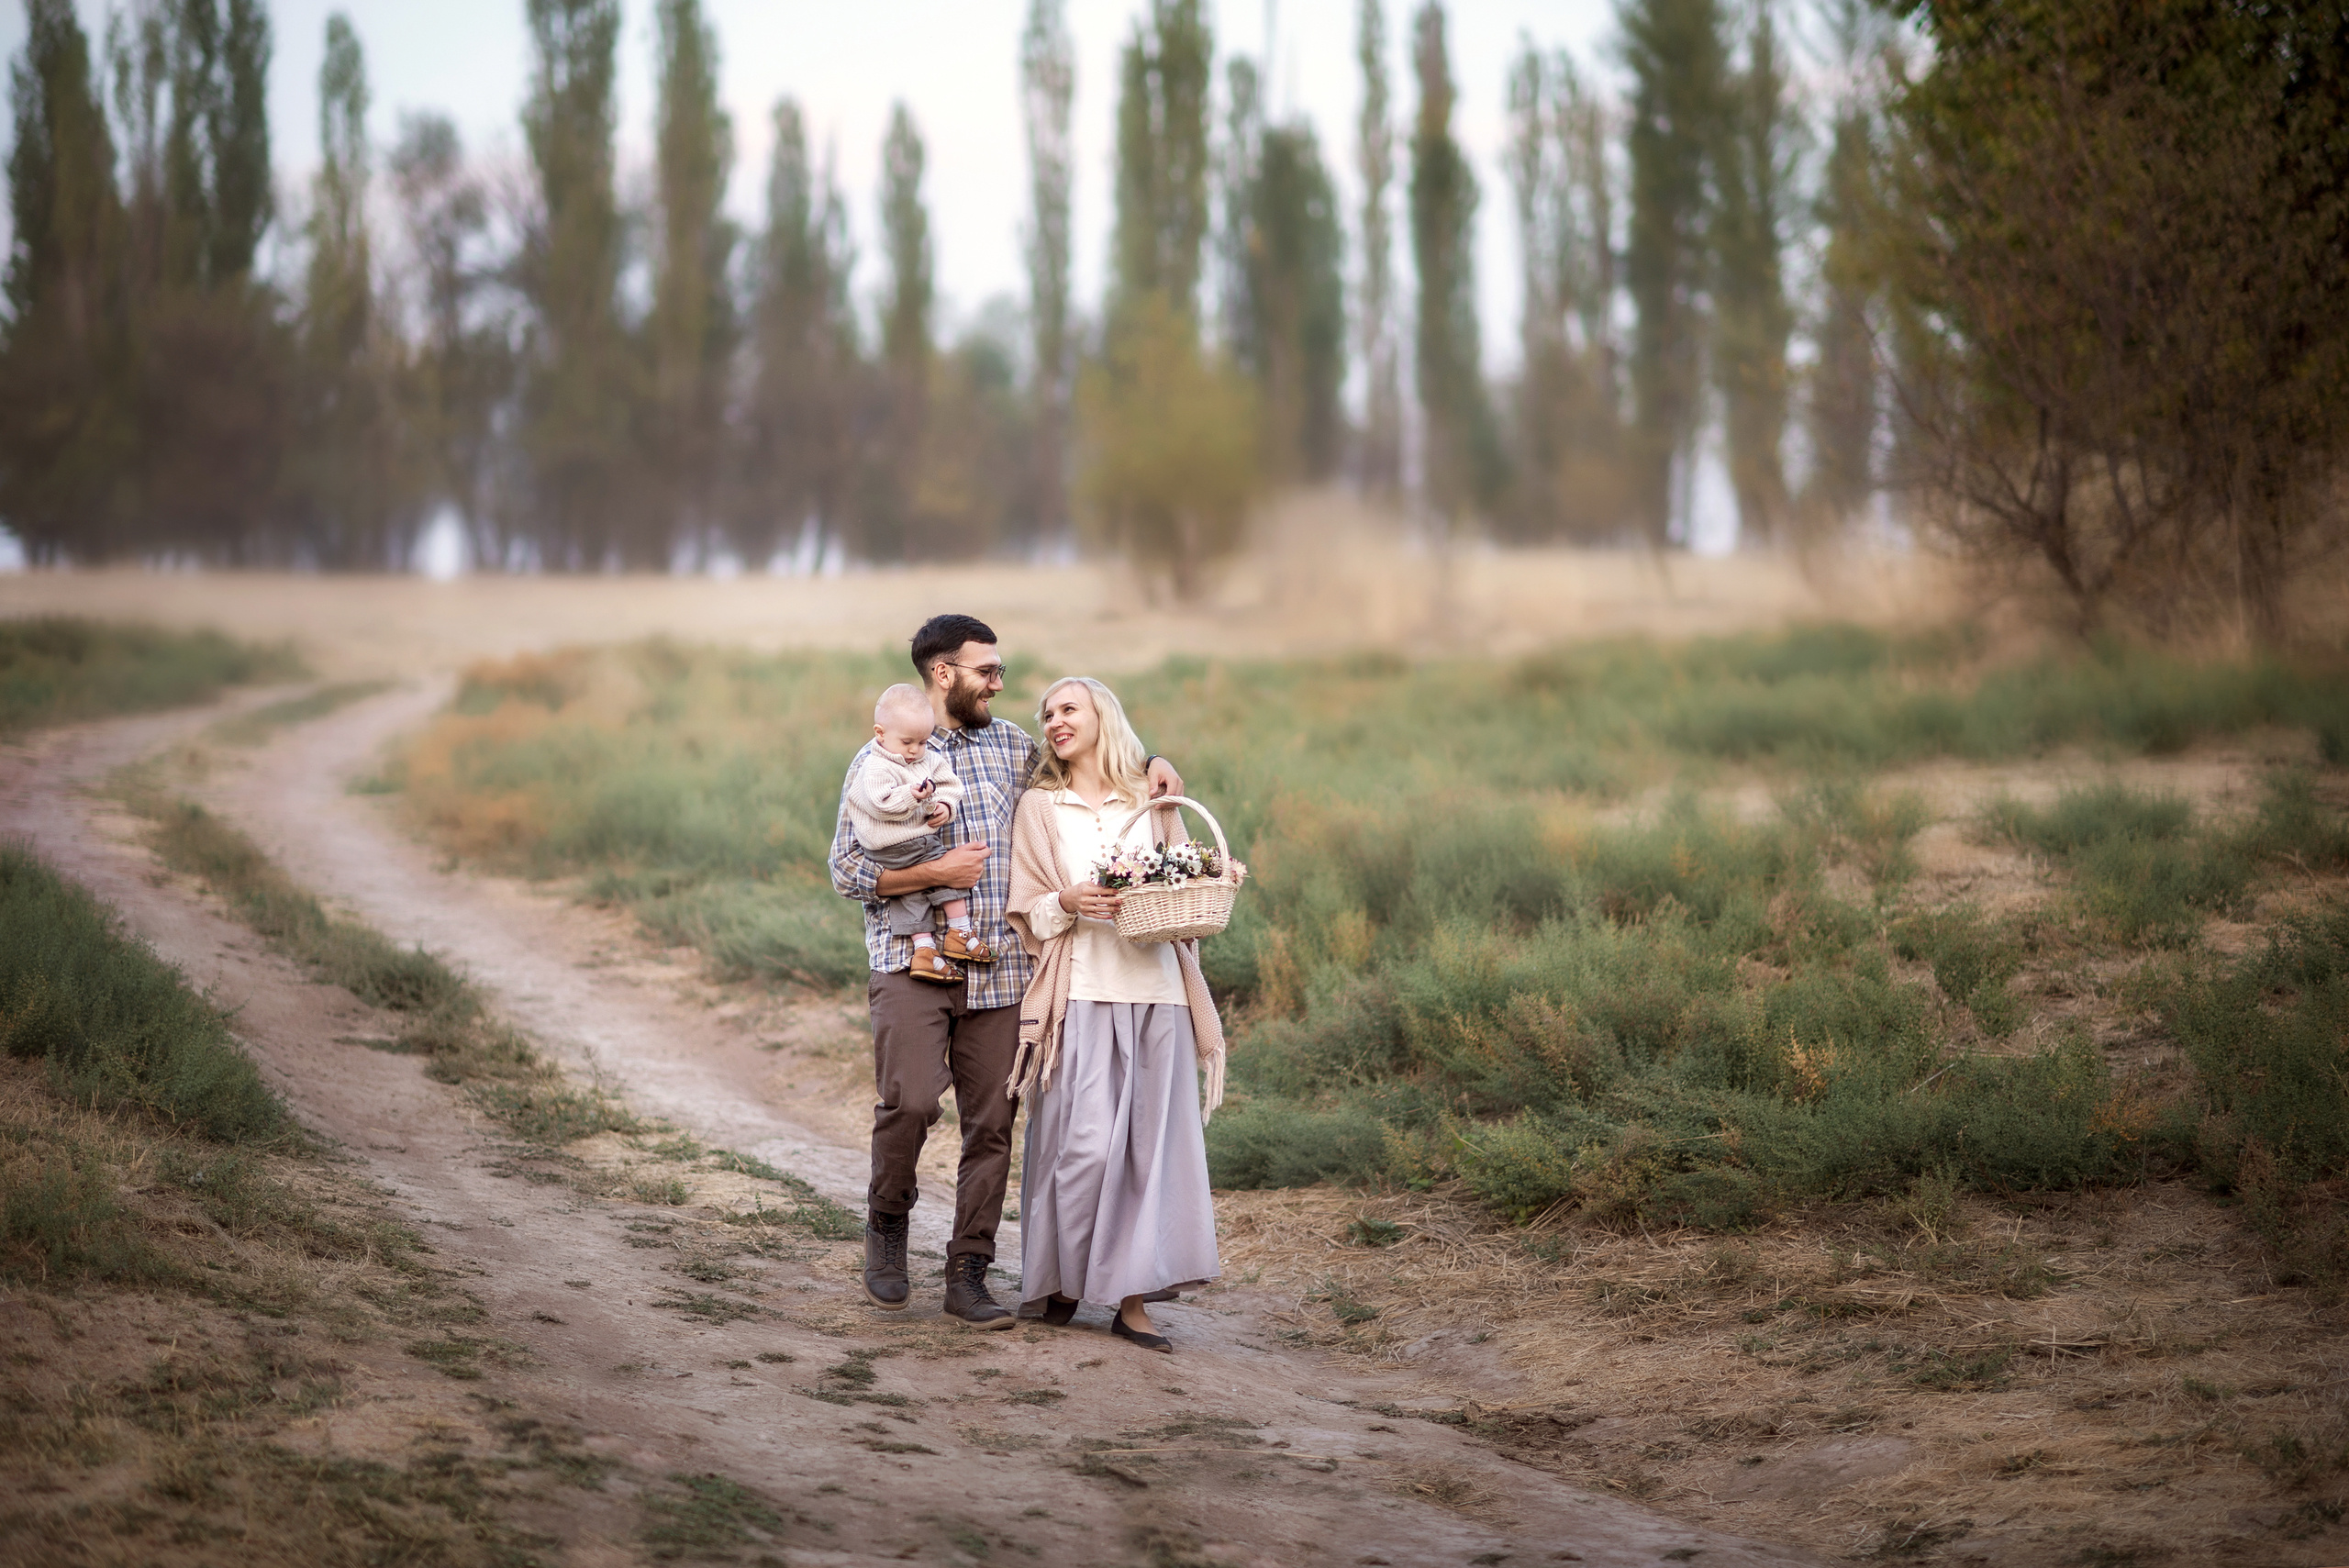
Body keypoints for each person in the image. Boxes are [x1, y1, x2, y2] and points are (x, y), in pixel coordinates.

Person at [828, 616, 1183, 1329]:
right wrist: (934, 871)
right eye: (986, 670)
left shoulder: (1016, 747)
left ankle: (969, 1270)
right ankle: (888, 1222)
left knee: (993, 1123)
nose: (999, 681)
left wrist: (1155, 767)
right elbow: (845, 870)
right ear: (942, 673)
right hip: (912, 961)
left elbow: (1089, 777)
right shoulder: (883, 759)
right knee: (914, 1101)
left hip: (1000, 973)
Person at [1003, 676, 1225, 1354]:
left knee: (1146, 1156)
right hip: (1082, 995)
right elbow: (1027, 908)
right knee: (1084, 1146)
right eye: (1047, 713)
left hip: (1157, 994)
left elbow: (1183, 886)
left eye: (1068, 708)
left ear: (1102, 715)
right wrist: (1068, 900)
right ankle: (1066, 1279)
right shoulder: (1042, 806)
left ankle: (1132, 1302)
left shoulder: (1151, 797)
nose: (1055, 721)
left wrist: (1215, 875)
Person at [843, 683, 994, 984]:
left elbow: (950, 785)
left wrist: (944, 806)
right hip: (889, 846)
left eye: (923, 742)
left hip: (907, 842)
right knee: (946, 866)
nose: (915, 750)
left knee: (909, 893)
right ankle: (960, 930)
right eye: (908, 742)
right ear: (880, 733)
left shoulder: (927, 759)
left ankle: (924, 950)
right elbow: (880, 803)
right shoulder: (874, 766)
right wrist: (912, 796)